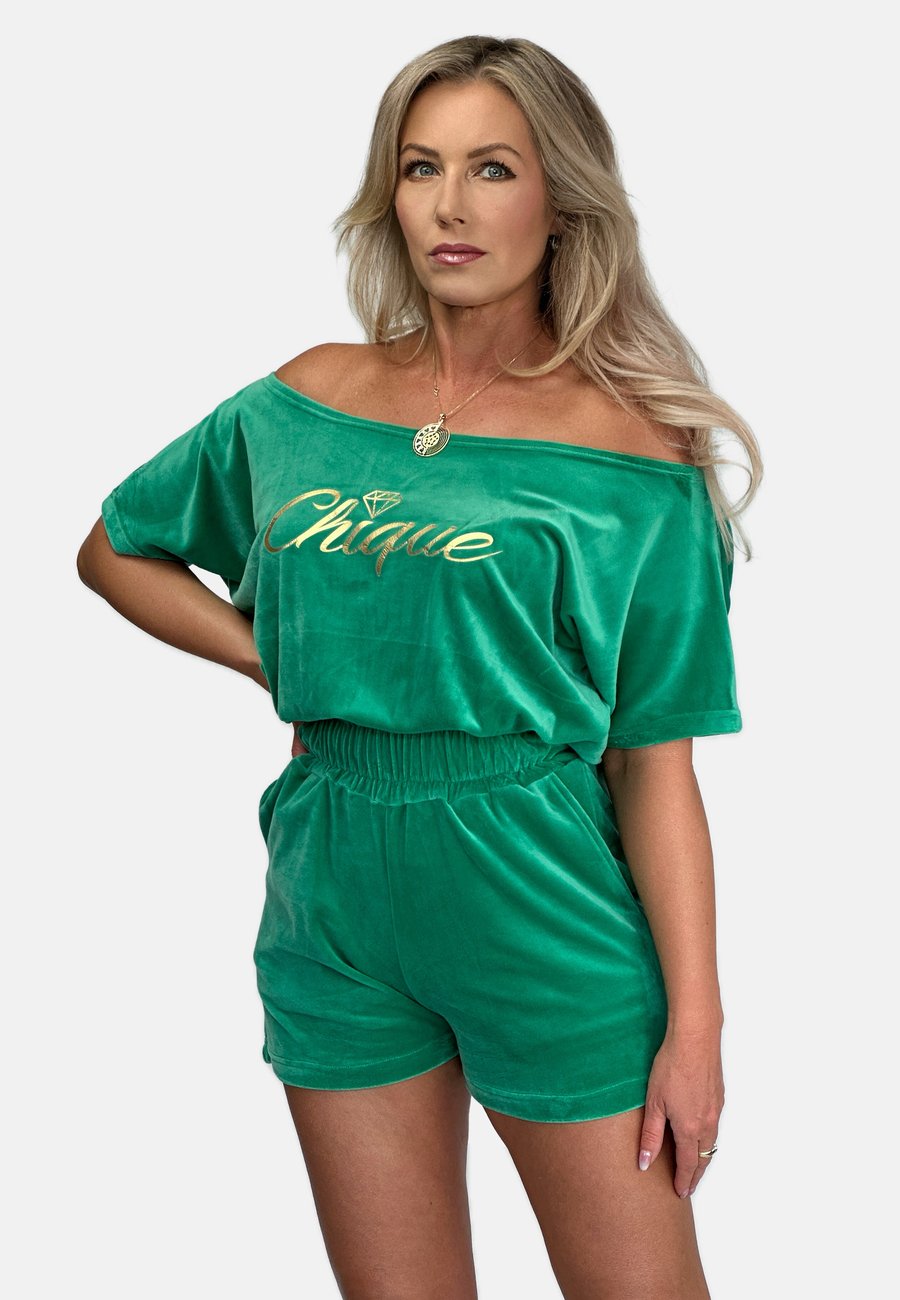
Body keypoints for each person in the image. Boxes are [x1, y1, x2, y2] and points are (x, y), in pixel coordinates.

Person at [77, 34, 761, 1300]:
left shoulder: (633, 455)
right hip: (330, 890)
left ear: (560, 199)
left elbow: (654, 764)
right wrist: (274, 660)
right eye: (420, 166)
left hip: (538, 890)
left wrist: (697, 1027)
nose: (451, 205)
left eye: (492, 168)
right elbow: (116, 548)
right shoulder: (304, 401)